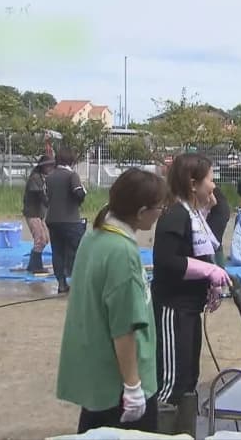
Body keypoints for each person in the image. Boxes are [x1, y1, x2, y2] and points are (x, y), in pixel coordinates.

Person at [57, 168, 168, 434]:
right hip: (118, 381)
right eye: (159, 207)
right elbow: (123, 327)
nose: (161, 212)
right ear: (141, 212)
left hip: (97, 375)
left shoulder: (94, 235)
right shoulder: (122, 252)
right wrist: (132, 387)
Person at [151, 153, 232, 434]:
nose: (214, 186)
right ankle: (162, 432)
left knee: (189, 377)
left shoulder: (193, 213)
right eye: (211, 180)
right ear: (192, 182)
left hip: (190, 309)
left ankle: (185, 433)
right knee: (172, 380)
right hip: (173, 309)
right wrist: (208, 272)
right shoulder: (175, 214)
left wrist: (210, 282)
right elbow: (168, 261)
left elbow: (202, 250)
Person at [46, 147, 87, 293]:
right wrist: (83, 191)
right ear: (71, 161)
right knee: (78, 251)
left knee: (57, 252)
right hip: (70, 219)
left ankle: (61, 283)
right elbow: (79, 194)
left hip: (52, 219)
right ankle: (78, 283)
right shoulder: (72, 176)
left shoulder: (49, 177)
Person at [23, 155, 55, 273]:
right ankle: (35, 266)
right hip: (33, 213)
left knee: (45, 239)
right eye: (48, 166)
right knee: (40, 239)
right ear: (43, 167)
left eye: (52, 165)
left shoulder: (42, 178)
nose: (50, 168)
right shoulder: (35, 178)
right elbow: (40, 195)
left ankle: (34, 264)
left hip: (39, 214)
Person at [206, 187, 231, 267]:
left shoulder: (203, 182)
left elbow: (213, 201)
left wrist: (203, 212)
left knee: (215, 240)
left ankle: (220, 268)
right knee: (213, 240)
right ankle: (217, 267)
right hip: (219, 210)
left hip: (219, 212)